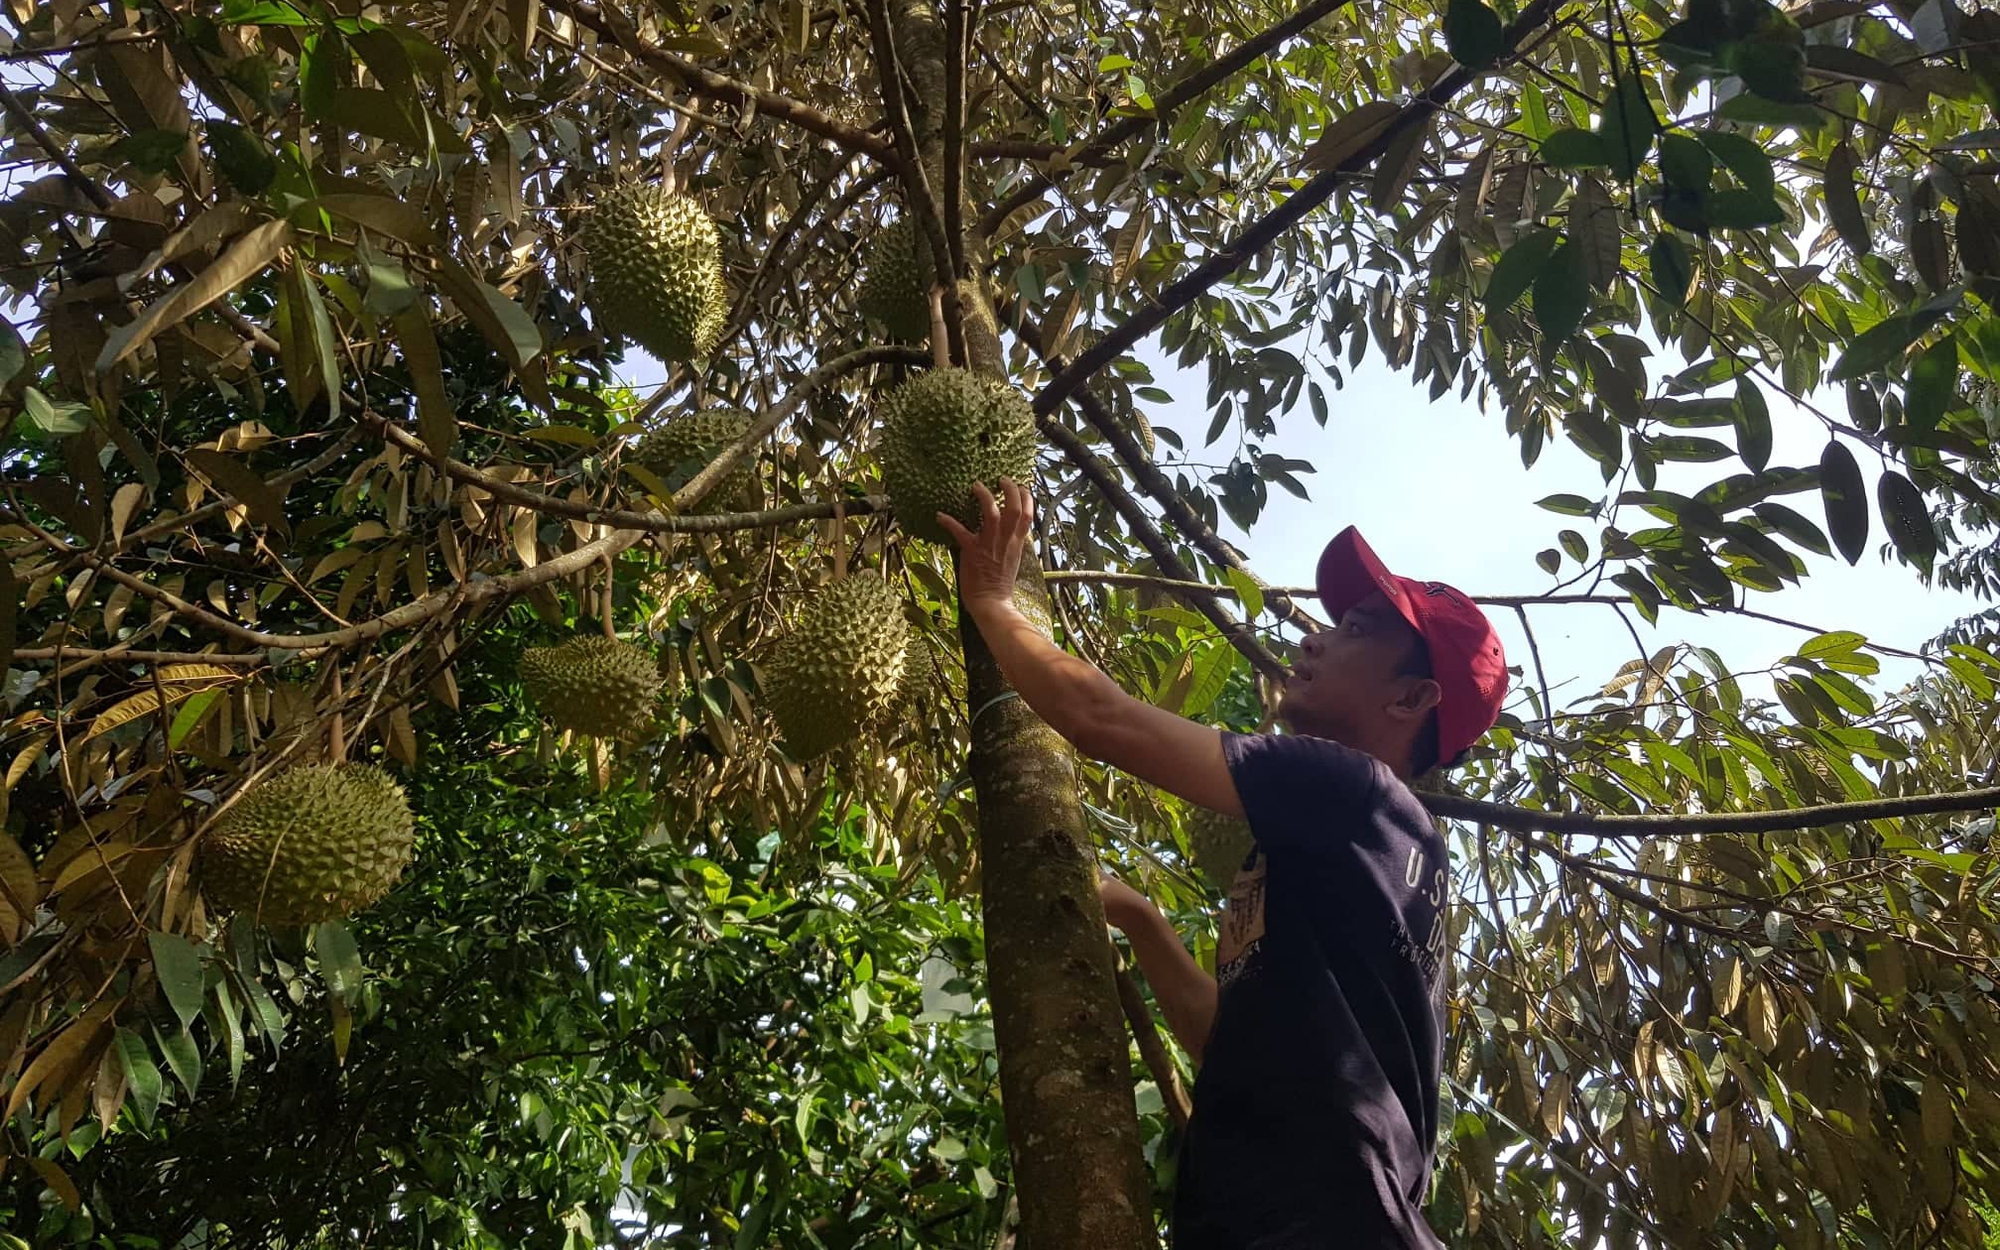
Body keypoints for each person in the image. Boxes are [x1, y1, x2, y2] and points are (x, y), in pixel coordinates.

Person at [936, 479, 1509, 1249]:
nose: (1315, 638)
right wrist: (1142, 920)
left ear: (1411, 700)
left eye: (1358, 630)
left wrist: (996, 603)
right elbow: (1231, 1043)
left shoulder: (1353, 789)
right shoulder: (1356, 859)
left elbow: (1100, 716)